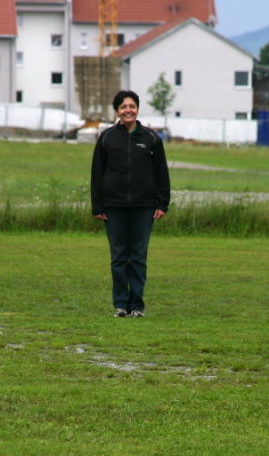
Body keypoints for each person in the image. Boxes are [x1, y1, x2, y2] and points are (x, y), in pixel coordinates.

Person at [90, 90, 171, 318]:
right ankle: (121, 305)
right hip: (113, 207)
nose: (128, 110)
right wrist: (98, 206)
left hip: (144, 207)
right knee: (118, 257)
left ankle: (136, 305)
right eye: (124, 107)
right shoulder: (107, 138)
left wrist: (162, 203)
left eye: (132, 106)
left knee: (137, 257)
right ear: (117, 111)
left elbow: (161, 173)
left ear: (137, 109)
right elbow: (97, 173)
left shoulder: (151, 139)